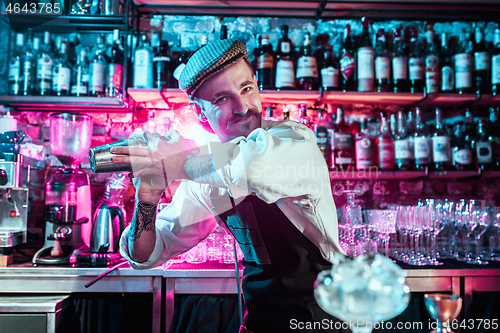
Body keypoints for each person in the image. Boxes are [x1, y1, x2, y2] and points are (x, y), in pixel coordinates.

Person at [112, 38, 343, 333]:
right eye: (222, 99)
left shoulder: (293, 141)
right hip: (259, 323)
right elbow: (148, 253)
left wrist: (176, 161)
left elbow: (251, 169)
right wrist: (147, 200)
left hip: (322, 321)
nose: (243, 107)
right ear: (199, 113)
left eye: (246, 89)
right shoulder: (211, 181)